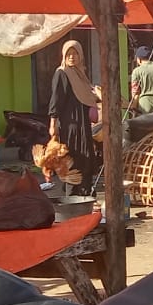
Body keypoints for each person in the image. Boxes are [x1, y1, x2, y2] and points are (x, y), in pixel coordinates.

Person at [48, 40, 102, 194]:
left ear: (80, 56)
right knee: (72, 159)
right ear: (64, 56)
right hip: (70, 124)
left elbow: (87, 97)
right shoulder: (62, 73)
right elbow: (56, 100)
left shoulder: (80, 74)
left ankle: (83, 193)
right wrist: (53, 123)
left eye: (75, 53)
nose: (72, 57)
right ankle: (71, 194)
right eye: (69, 54)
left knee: (84, 158)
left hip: (82, 124)